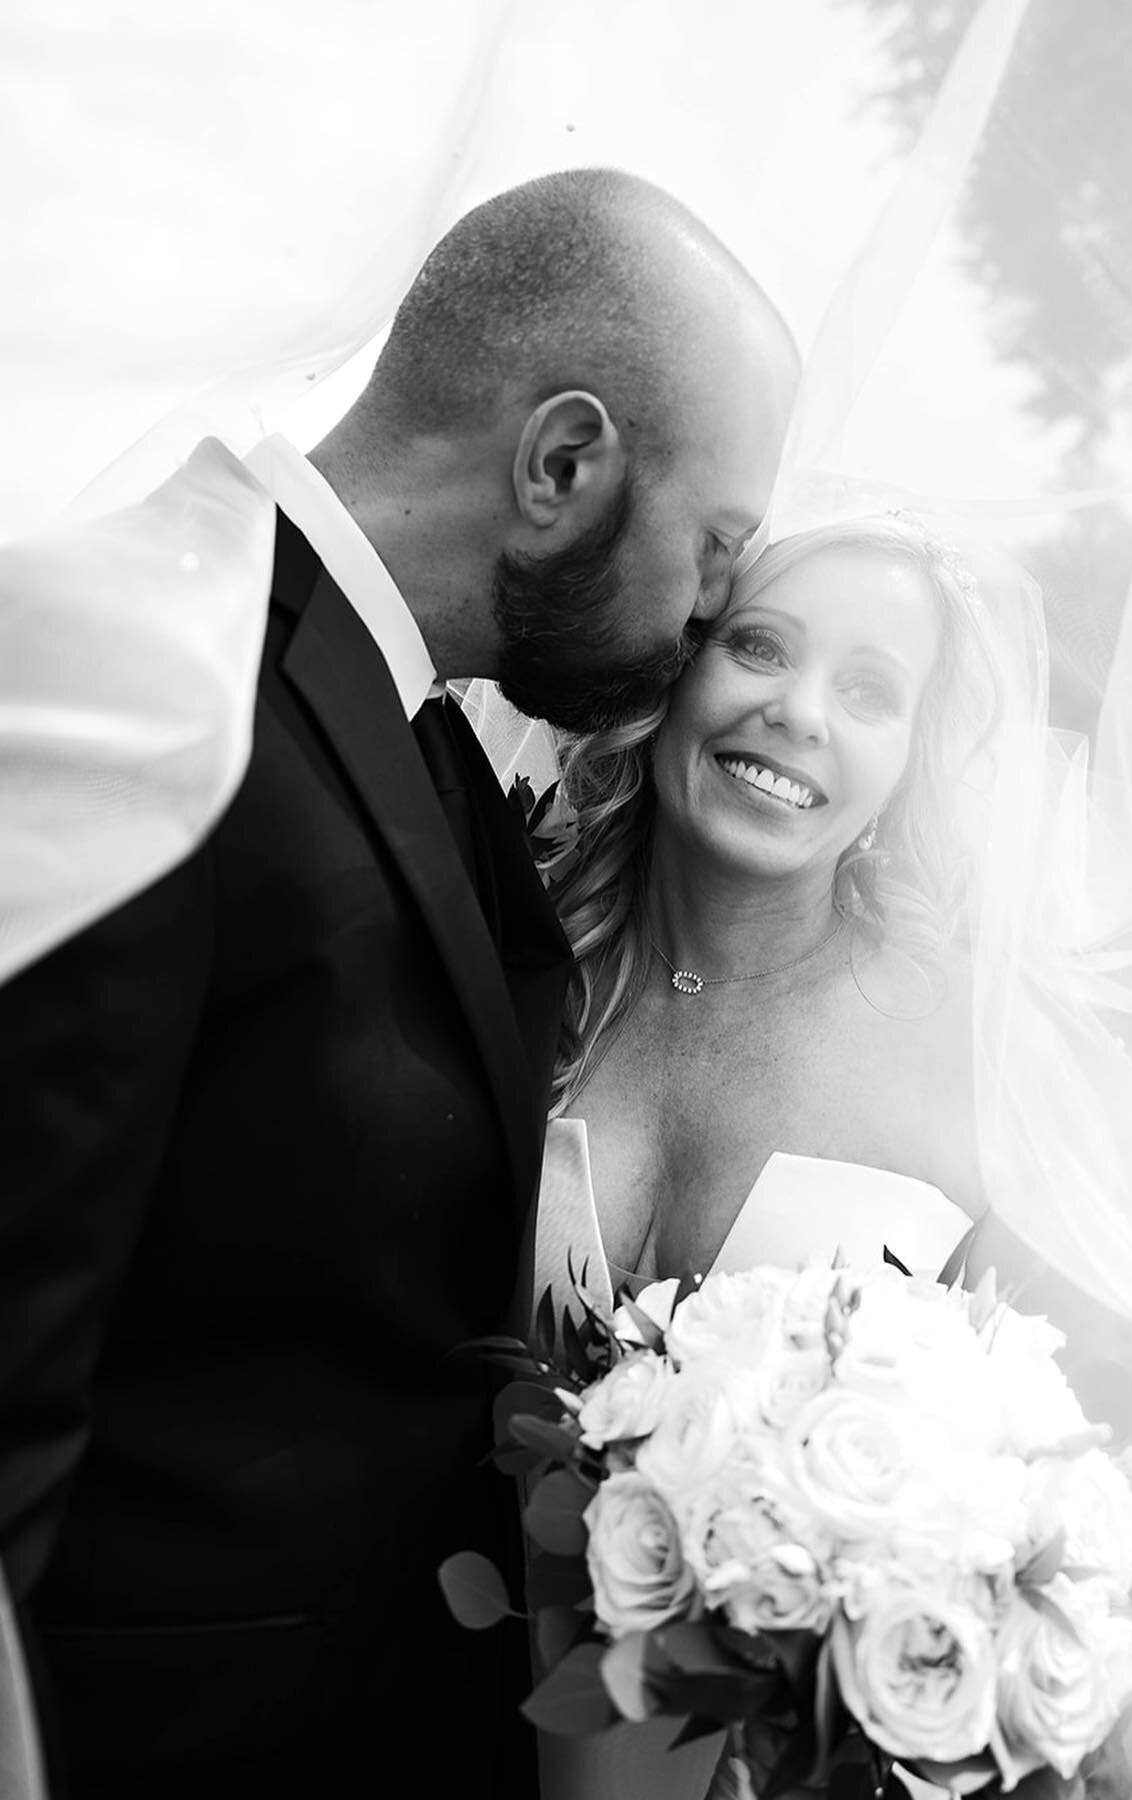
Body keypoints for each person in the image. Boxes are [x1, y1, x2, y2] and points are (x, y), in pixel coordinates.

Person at [0, 166, 797, 1800]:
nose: (719, 614)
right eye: (715, 548)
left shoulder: (415, 719)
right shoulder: (158, 670)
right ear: (565, 462)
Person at [527, 514, 1008, 1800]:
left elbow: (1028, 1490)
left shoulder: (975, 1050)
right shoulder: (505, 965)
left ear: (909, 767)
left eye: (868, 690)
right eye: (756, 645)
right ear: (675, 669)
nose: (798, 711)